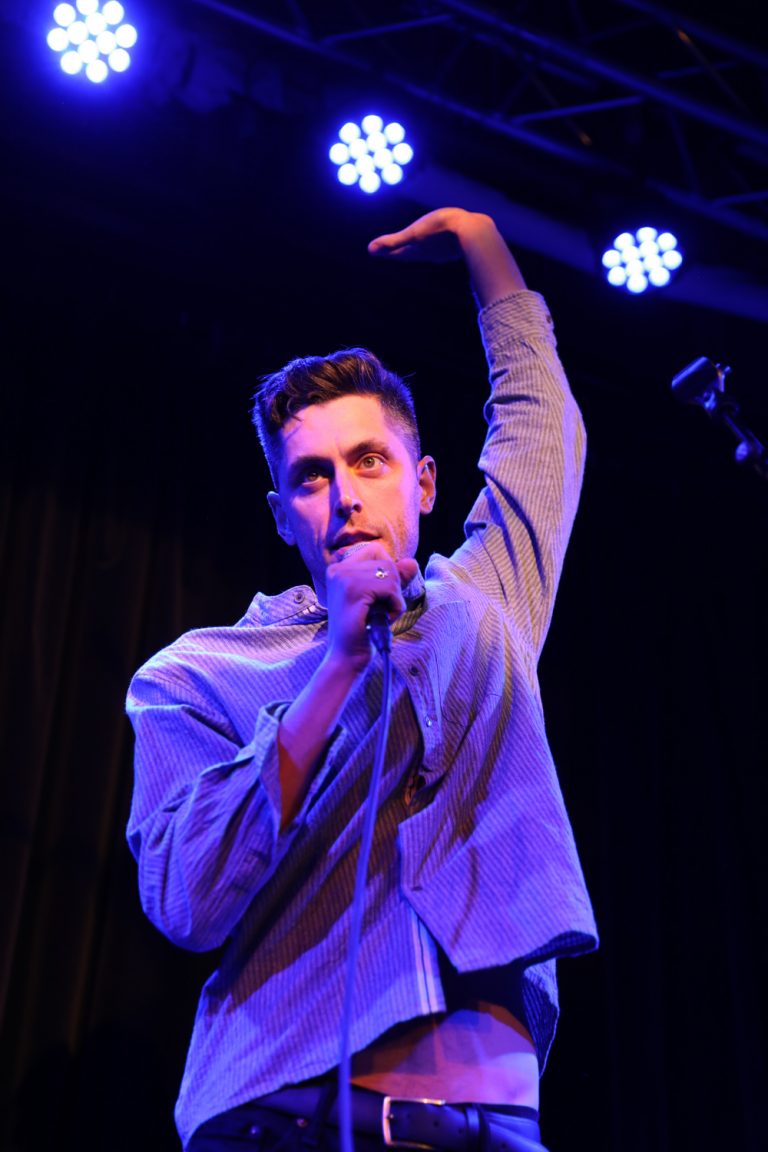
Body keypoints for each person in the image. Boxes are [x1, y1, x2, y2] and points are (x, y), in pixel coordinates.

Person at [126, 208, 598, 1152]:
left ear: (423, 485)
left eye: (369, 461)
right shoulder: (195, 673)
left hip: (494, 1125)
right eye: (311, 477)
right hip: (283, 1115)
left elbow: (541, 425)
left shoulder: (484, 602)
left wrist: (483, 244)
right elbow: (186, 898)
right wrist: (337, 668)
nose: (344, 495)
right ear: (281, 515)